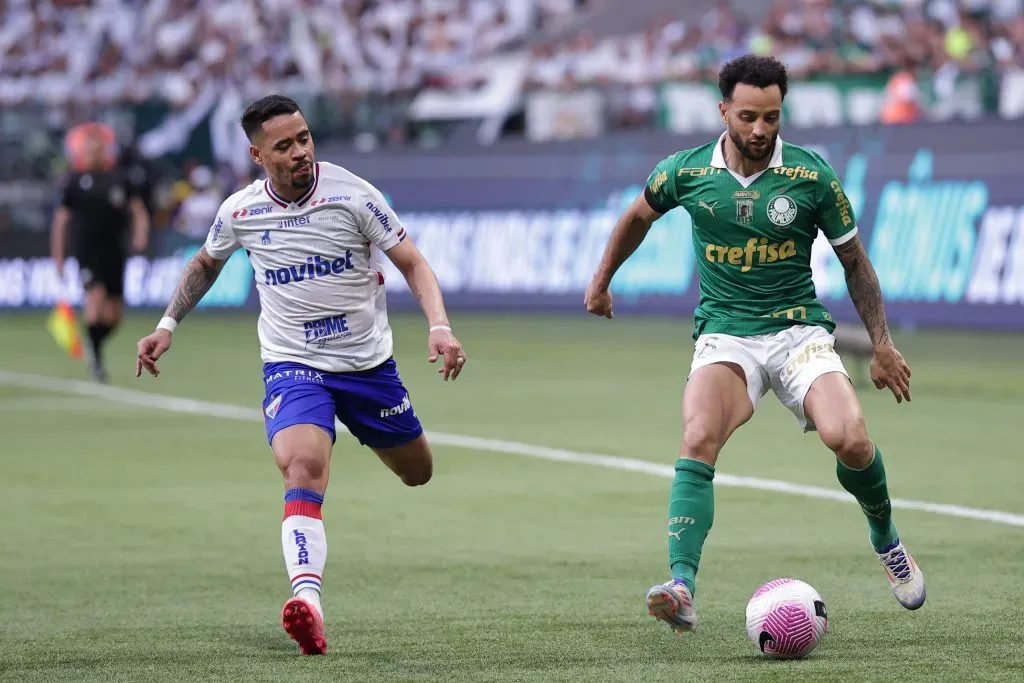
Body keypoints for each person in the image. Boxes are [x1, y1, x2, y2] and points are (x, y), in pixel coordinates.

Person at [584, 55, 925, 636]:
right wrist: (601, 279)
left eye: (771, 117)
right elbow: (638, 216)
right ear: (724, 112)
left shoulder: (812, 176)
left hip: (797, 332)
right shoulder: (685, 172)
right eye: (748, 117)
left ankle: (886, 538)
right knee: (698, 436)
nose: (761, 130)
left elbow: (855, 263)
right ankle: (682, 586)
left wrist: (883, 343)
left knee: (852, 438)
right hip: (725, 332)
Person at [134, 95, 468, 656]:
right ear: (258, 154)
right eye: (284, 146)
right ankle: (307, 603)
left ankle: (358, 433)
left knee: (419, 472)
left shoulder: (354, 195)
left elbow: (411, 261)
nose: (300, 153)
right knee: (304, 467)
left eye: (305, 139)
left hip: (368, 368)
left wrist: (440, 327)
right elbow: (204, 263)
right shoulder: (240, 210)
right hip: (293, 365)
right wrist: (167, 324)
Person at [50, 122, 150, 382]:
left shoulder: (120, 179)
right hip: (86, 253)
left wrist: (140, 233)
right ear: (82, 152)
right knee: (94, 300)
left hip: (115, 252)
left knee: (115, 315)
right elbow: (61, 222)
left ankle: (93, 343)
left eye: (99, 149)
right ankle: (94, 356)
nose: (94, 154)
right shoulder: (73, 182)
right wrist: (59, 258)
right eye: (90, 149)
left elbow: (137, 210)